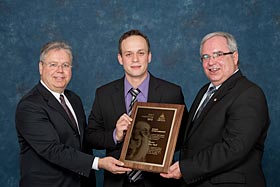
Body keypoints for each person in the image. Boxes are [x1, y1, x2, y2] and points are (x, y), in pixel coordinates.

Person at [160, 32, 270, 187]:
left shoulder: (249, 94)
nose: (211, 62)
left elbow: (234, 148)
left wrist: (186, 168)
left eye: (218, 54)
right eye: (205, 57)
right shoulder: (205, 91)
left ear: (235, 57)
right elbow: (191, 138)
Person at [15, 41, 131, 187]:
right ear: (41, 67)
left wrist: (116, 135)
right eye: (53, 64)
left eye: (65, 65)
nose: (60, 71)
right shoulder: (30, 106)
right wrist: (99, 163)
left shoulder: (73, 99)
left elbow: (84, 141)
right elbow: (52, 150)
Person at [85, 29, 188, 187]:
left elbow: (184, 137)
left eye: (141, 53)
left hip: (160, 181)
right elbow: (90, 137)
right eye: (128, 54)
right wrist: (115, 135)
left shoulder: (171, 92)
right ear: (120, 59)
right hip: (117, 181)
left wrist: (160, 140)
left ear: (149, 56)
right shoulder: (103, 94)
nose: (135, 59)